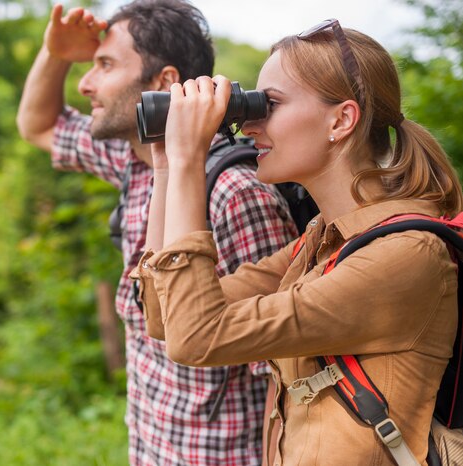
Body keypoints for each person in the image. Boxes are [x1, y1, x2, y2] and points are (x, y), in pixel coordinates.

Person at [132, 18, 463, 466]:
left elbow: (196, 338)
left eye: (269, 104)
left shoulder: (403, 256)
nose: (250, 125)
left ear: (341, 119)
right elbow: (165, 318)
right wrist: (167, 168)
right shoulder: (321, 238)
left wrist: (192, 160)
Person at [16, 1, 298, 465]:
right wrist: (55, 53)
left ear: (164, 83)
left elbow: (283, 368)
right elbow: (38, 125)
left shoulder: (235, 193)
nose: (85, 84)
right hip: (151, 447)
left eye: (104, 66)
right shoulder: (136, 160)